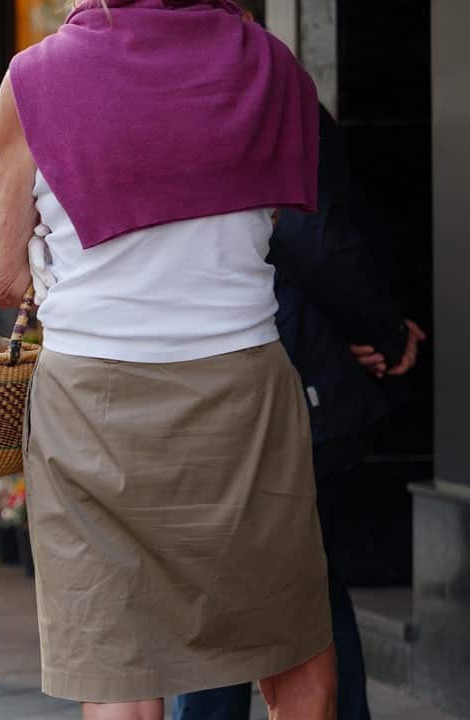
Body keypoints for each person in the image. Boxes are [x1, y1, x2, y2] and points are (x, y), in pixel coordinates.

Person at [0, 1, 348, 717]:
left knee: (118, 662)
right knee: (291, 640)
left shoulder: (34, 78)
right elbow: (282, 220)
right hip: (243, 386)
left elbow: (2, 277)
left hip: (92, 400)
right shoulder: (272, 63)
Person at [173, 104, 426, 720]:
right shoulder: (271, 95)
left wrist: (374, 335)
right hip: (288, 369)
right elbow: (320, 238)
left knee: (231, 580)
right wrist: (382, 336)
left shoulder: (165, 101)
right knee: (305, 577)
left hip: (209, 374)